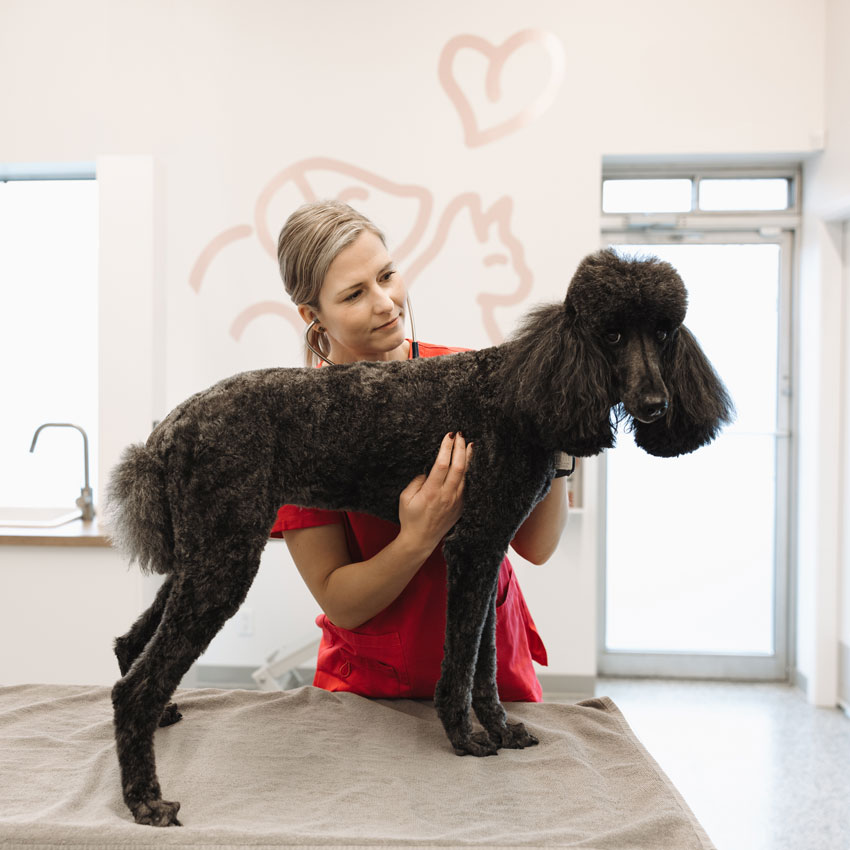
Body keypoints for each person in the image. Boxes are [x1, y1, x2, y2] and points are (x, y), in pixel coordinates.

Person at [271, 200, 567, 701]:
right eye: (354, 294)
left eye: (387, 276)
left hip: (492, 674)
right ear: (311, 314)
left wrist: (557, 435)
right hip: (373, 689)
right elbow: (339, 600)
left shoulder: (475, 379)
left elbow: (537, 547)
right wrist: (418, 536)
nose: (386, 303)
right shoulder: (302, 424)